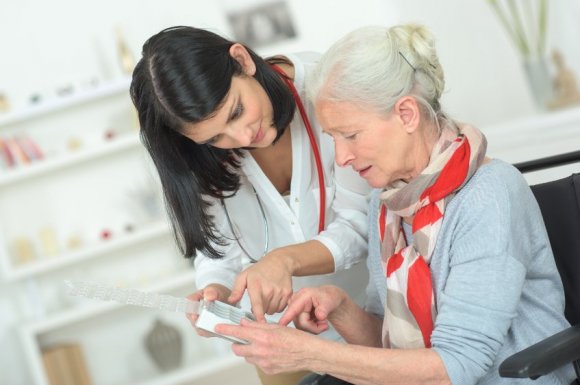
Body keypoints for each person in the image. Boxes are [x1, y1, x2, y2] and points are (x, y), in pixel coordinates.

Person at [214, 24, 576, 385]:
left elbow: (457, 367)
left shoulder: (490, 194)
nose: (341, 157)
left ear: (406, 114)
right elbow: (387, 349)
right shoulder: (387, 205)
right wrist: (341, 308)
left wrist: (310, 354)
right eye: (333, 139)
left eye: (351, 135)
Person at [129, 26, 370, 385]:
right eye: (215, 137)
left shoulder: (329, 89)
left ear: (242, 60)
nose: (242, 137)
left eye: (237, 111)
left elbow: (360, 223)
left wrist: (282, 261)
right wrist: (216, 289)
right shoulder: (200, 152)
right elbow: (219, 251)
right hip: (280, 346)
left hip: (369, 322)